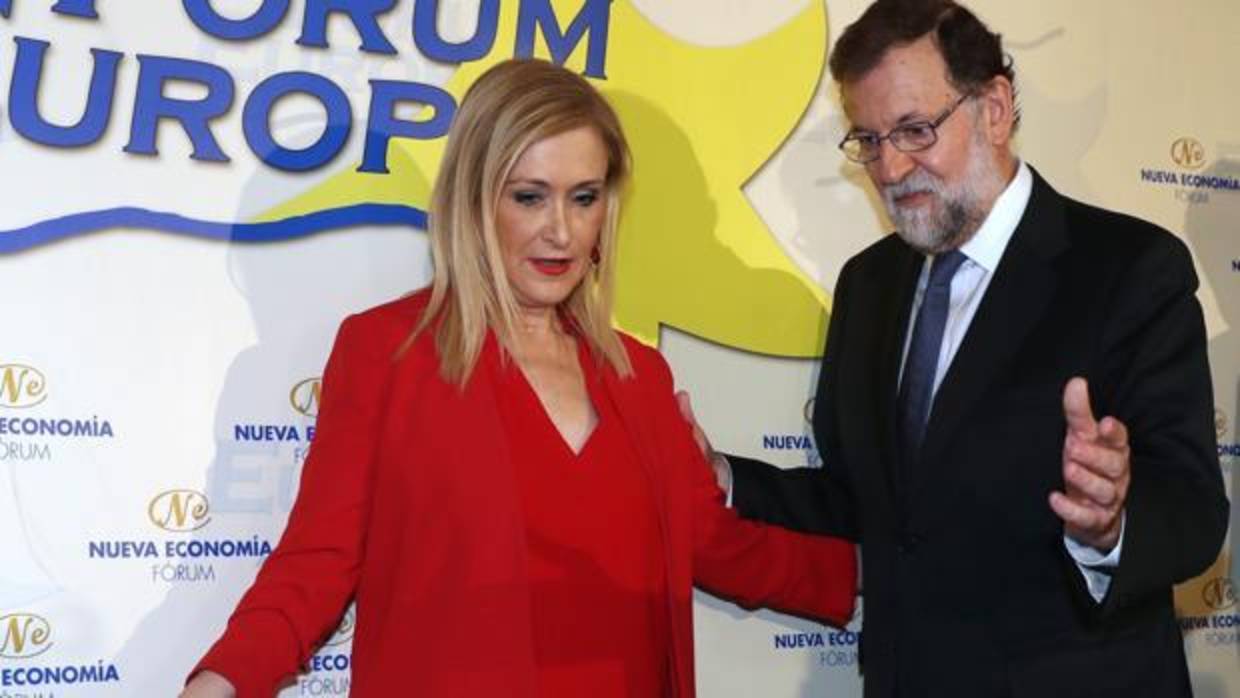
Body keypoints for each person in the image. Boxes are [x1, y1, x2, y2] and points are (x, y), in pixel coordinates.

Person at [179, 58, 856, 698]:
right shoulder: (386, 352)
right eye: (530, 197)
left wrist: (882, 572)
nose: (561, 231)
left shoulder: (639, 374)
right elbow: (317, 562)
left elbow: (715, 544)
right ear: (474, 200)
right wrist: (223, 680)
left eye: (584, 198)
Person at [685, 1, 1228, 696]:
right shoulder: (868, 283)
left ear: (994, 109)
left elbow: (1193, 514)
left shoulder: (1129, 268)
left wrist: (1112, 522)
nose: (889, 167)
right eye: (869, 140)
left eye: (915, 130)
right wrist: (726, 476)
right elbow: (866, 502)